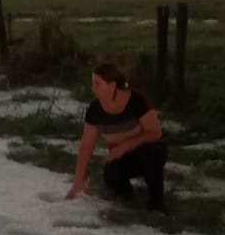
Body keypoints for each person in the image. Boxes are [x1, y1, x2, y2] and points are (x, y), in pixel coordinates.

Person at [66, 61, 167, 212]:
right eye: (92, 83)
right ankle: (127, 198)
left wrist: (125, 146)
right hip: (122, 158)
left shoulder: (136, 101)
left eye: (97, 84)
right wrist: (78, 181)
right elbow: (86, 145)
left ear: (112, 85)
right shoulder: (95, 110)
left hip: (148, 151)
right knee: (111, 174)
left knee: (151, 153)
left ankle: (157, 205)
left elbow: (155, 132)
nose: (93, 88)